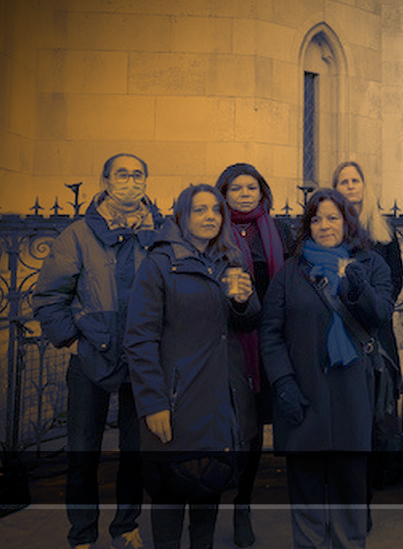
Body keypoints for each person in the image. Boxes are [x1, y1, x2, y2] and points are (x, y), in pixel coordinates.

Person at [33, 153, 161, 549]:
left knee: (135, 453)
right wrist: (71, 342)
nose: (131, 181)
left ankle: (127, 525)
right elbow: (50, 296)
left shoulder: (161, 231)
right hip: (89, 356)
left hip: (140, 359)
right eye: (122, 174)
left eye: (138, 174)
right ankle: (82, 534)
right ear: (105, 180)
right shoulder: (77, 235)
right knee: (82, 454)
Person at [125, 184, 259, 549]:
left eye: (216, 210)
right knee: (169, 494)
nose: (210, 217)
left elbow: (248, 323)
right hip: (176, 399)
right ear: (182, 215)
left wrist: (243, 302)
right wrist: (153, 403)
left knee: (207, 487)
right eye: (200, 210)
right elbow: (139, 339)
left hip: (217, 399)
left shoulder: (229, 259)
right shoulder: (159, 263)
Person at [260, 188, 393, 549]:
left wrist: (357, 285)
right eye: (316, 219)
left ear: (347, 221)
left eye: (333, 217)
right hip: (304, 396)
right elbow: (270, 333)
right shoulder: (290, 272)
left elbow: (380, 315)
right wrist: (283, 383)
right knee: (306, 492)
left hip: (353, 395)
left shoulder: (371, 264)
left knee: (350, 491)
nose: (324, 225)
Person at [216, 162, 293, 547]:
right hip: (226, 343)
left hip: (267, 341)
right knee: (224, 426)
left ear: (262, 192)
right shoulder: (212, 227)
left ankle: (242, 506)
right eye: (236, 188)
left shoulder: (278, 230)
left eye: (252, 187)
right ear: (224, 193)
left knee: (253, 431)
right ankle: (211, 503)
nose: (245, 194)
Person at [332, 161, 403, 498]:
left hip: (376, 330)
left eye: (355, 180)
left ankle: (373, 480)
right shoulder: (329, 228)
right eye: (343, 181)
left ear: (364, 186)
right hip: (339, 328)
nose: (350, 186)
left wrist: (372, 302)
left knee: (378, 408)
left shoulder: (383, 232)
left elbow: (395, 278)